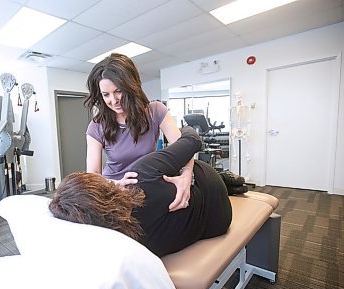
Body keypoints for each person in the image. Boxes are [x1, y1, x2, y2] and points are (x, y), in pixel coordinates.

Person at [49, 126, 232, 257]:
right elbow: (192, 139)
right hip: (213, 193)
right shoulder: (141, 174)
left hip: (216, 225)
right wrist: (185, 132)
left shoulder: (122, 243)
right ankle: (229, 181)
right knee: (180, 169)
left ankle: (230, 183)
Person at [85, 53, 193, 212]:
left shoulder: (155, 111)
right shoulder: (96, 126)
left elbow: (184, 148)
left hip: (147, 185)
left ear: (131, 86)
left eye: (118, 91)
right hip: (114, 191)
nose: (113, 101)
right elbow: (93, 174)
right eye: (106, 95)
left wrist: (186, 177)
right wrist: (117, 184)